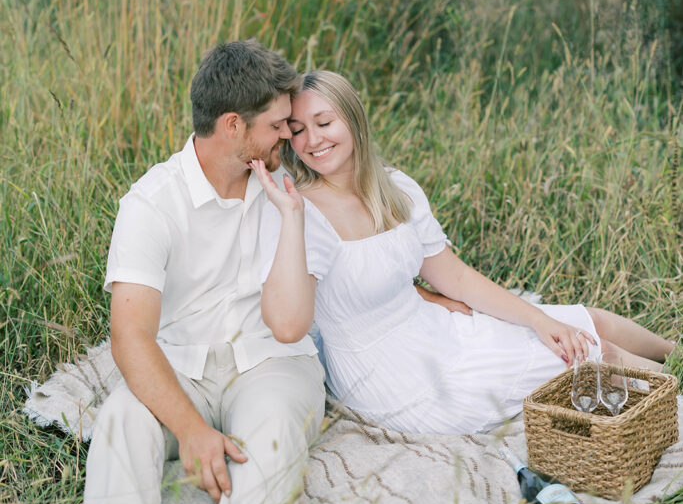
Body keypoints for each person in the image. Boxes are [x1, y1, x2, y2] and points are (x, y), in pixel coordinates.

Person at [47, 41, 326, 504]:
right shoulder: (152, 203)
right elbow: (130, 336)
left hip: (272, 362)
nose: (289, 135)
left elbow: (295, 318)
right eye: (277, 125)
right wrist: (191, 430)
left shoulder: (288, 186)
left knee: (274, 427)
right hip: (183, 368)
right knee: (123, 415)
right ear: (232, 125)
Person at [254, 70, 674, 436]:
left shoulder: (394, 188)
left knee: (586, 322)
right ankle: (671, 394)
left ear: (353, 120)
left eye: (324, 122)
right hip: (392, 376)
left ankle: (676, 352)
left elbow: (454, 277)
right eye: (298, 129)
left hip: (434, 331)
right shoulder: (302, 212)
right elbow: (294, 317)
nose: (313, 140)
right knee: (593, 353)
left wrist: (538, 318)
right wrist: (291, 216)